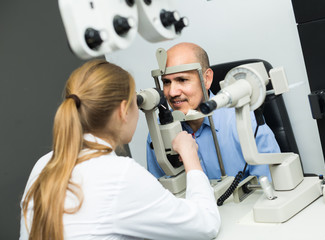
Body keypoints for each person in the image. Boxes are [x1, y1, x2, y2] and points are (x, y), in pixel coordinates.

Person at [20, 59, 220, 240]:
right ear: (122, 111)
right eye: (136, 103)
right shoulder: (119, 174)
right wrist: (190, 156)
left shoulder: (44, 164)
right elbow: (206, 224)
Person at [147, 42, 281, 180]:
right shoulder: (158, 134)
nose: (172, 92)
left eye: (182, 79)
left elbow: (272, 187)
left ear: (207, 79)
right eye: (166, 82)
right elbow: (159, 192)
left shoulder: (244, 122)